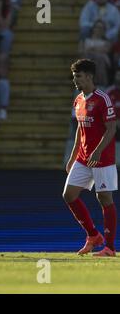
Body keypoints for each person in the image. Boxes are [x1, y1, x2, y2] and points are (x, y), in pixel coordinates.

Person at [63, 59, 117, 257]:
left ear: (89, 76)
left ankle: (109, 247)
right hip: (84, 158)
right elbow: (80, 128)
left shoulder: (103, 98)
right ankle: (93, 236)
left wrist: (98, 151)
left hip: (102, 157)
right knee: (69, 195)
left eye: (78, 76)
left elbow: (112, 128)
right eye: (74, 76)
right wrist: (73, 155)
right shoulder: (78, 100)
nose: (75, 80)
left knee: (104, 199)